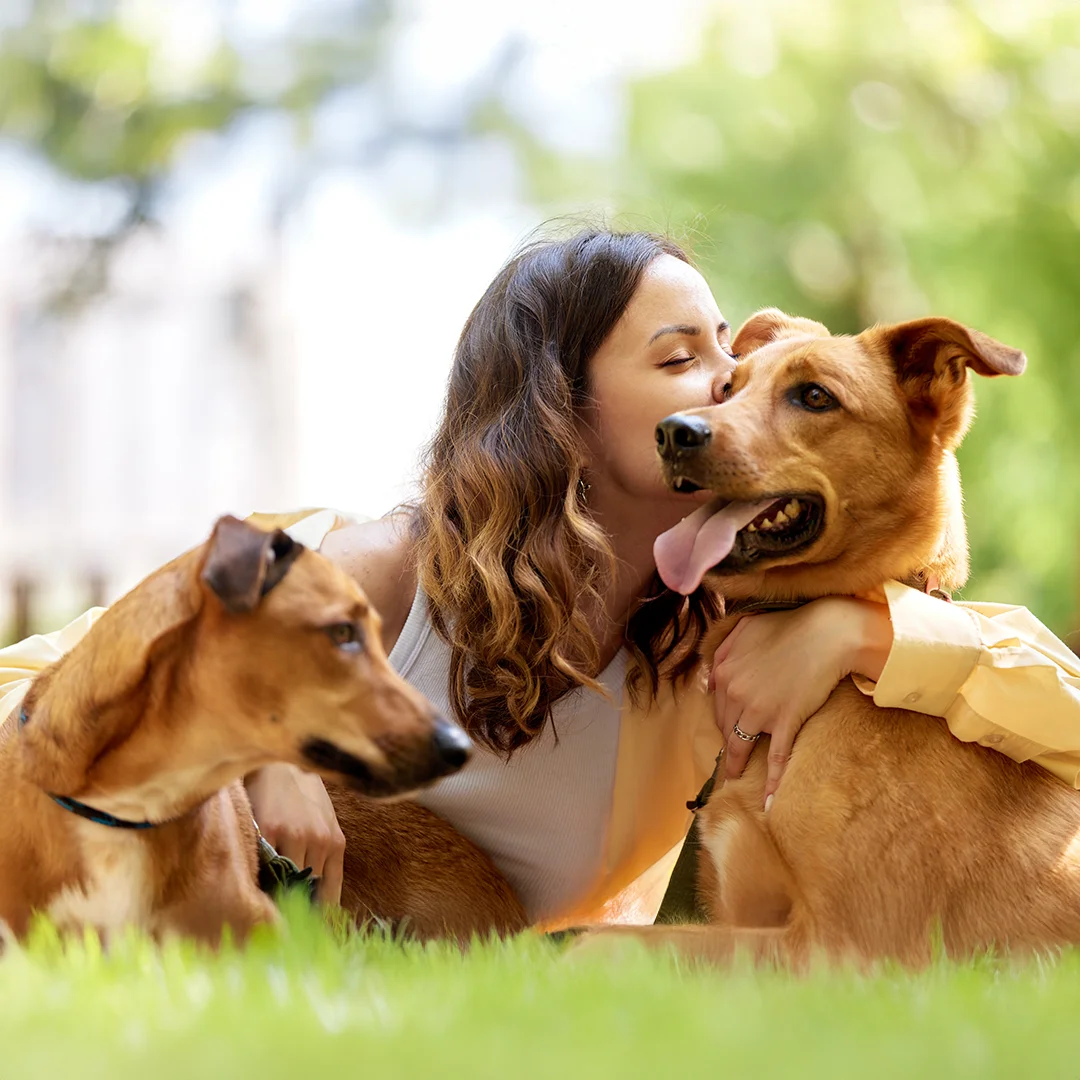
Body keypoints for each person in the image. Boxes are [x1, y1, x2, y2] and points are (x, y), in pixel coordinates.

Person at [3, 229, 1080, 930]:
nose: (727, 390)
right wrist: (258, 755)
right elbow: (39, 697)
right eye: (682, 360)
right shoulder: (377, 572)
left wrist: (871, 637)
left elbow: (1055, 726)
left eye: (732, 356)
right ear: (561, 407)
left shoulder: (718, 654)